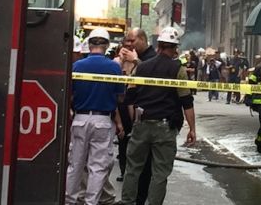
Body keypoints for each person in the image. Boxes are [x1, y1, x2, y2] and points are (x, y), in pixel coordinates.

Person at [118, 27, 196, 205]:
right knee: (160, 173)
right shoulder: (178, 69)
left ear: (159, 46)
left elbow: (129, 97)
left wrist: (133, 121)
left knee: (133, 168)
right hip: (165, 127)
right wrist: (192, 129)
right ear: (175, 48)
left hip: (142, 124)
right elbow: (186, 102)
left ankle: (127, 201)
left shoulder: (141, 67)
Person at [65, 28, 125, 205]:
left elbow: (69, 95)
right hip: (103, 121)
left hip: (80, 119)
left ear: (89, 45)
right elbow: (120, 97)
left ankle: (69, 201)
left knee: (75, 164)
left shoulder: (77, 67)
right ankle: (91, 202)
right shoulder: (114, 68)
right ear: (106, 45)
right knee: (97, 167)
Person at [117, 28, 155, 204]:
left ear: (142, 39)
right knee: (129, 156)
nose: (129, 45)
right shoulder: (132, 58)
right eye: (127, 42)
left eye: (132, 41)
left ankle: (140, 199)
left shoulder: (151, 57)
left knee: (144, 164)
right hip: (130, 112)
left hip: (146, 116)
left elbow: (152, 75)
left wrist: (136, 61)